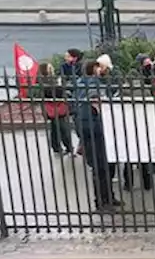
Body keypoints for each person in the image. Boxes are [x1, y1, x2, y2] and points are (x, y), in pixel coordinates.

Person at [72, 59, 117, 210]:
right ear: (94, 69)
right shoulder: (93, 83)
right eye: (99, 68)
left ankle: (106, 198)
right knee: (102, 165)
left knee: (99, 165)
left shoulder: (79, 83)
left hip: (84, 125)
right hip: (95, 125)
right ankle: (104, 200)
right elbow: (96, 102)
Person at [36, 62, 73, 155]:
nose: (51, 68)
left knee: (55, 128)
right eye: (49, 67)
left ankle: (57, 147)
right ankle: (68, 147)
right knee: (62, 127)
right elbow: (51, 92)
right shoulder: (45, 81)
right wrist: (60, 86)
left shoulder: (48, 79)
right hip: (55, 106)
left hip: (53, 107)